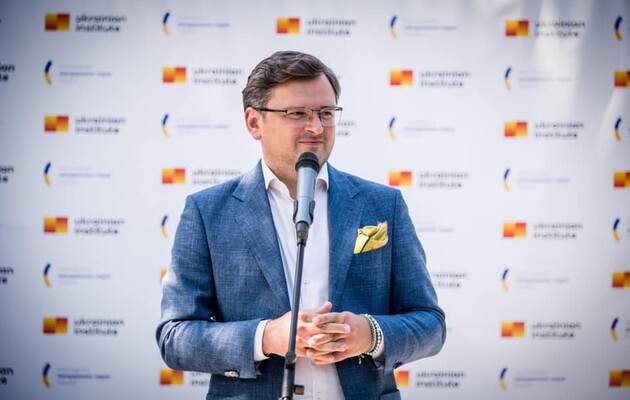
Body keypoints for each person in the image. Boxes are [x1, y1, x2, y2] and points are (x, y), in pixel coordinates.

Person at [156, 50, 446, 400]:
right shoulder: (207, 212)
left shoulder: (384, 205)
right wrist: (266, 337)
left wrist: (371, 334)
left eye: (326, 113)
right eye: (297, 114)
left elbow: (430, 324)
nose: (316, 127)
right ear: (254, 122)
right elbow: (175, 337)